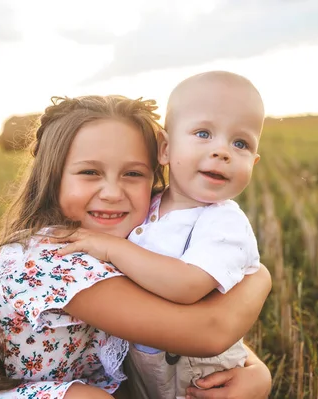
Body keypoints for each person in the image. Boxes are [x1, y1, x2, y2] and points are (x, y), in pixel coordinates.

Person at [0, 94, 272, 399]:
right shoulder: (51, 257)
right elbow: (208, 330)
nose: (113, 192)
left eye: (133, 174)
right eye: (89, 172)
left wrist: (254, 371)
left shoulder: (134, 238)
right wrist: (259, 278)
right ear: (52, 178)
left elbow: (177, 323)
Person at [56, 71, 266, 398]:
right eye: (203, 133)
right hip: (148, 362)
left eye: (240, 143)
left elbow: (187, 286)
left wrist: (112, 249)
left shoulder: (223, 222)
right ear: (165, 148)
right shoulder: (147, 203)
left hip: (196, 374)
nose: (222, 151)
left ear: (253, 162)